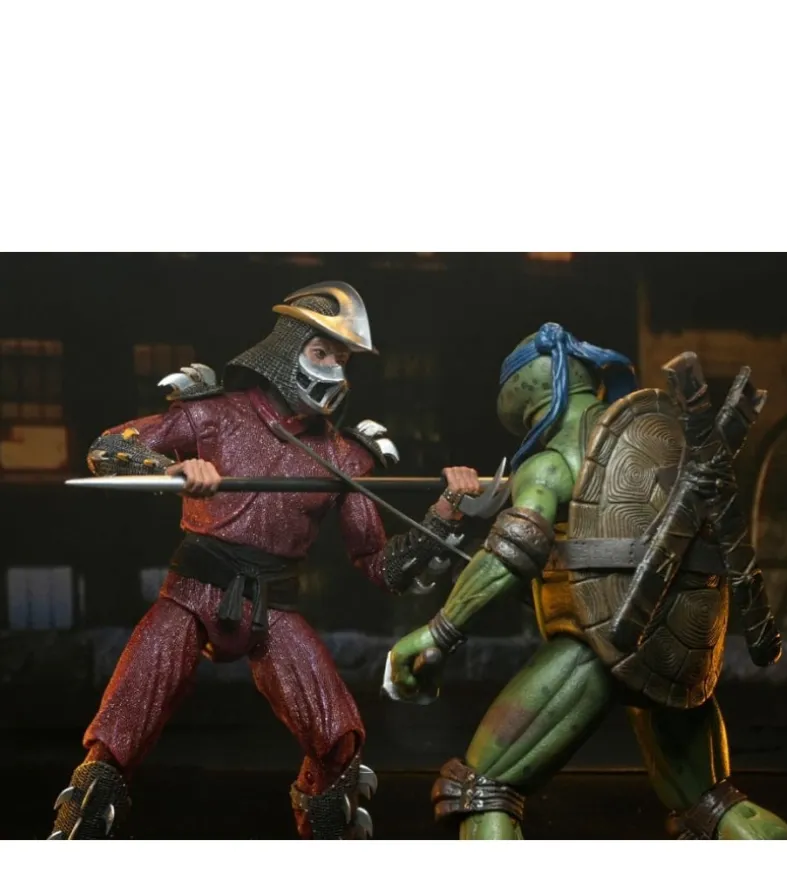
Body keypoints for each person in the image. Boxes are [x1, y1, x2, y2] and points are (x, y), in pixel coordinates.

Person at [49, 281, 479, 840]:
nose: (333, 370)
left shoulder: (343, 456)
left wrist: (448, 507)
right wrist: (171, 470)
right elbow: (110, 448)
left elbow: (382, 566)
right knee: (117, 734)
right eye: (321, 353)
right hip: (192, 594)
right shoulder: (213, 415)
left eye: (342, 360)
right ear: (286, 350)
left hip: (273, 608)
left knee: (339, 743)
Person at [384, 323, 787, 840]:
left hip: (594, 646)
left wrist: (437, 633)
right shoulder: (669, 444)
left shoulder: (551, 463)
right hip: (677, 655)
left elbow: (511, 555)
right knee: (713, 808)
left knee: (481, 790)